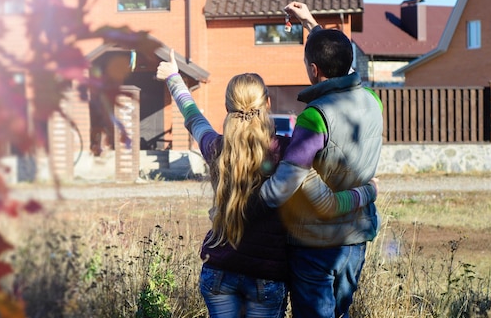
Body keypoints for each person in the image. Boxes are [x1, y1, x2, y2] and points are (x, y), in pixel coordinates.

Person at [156, 49, 378, 318]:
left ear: (228, 107)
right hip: (266, 277)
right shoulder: (288, 151)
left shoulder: (216, 149)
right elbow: (324, 198)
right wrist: (367, 192)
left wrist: (173, 78)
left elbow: (192, 117)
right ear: (268, 103)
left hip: (218, 272)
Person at [256, 1, 384, 318]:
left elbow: (285, 184)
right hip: (355, 239)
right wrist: (310, 23)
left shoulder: (315, 116)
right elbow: (342, 67)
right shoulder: (372, 100)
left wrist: (250, 204)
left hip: (315, 244)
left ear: (313, 70)